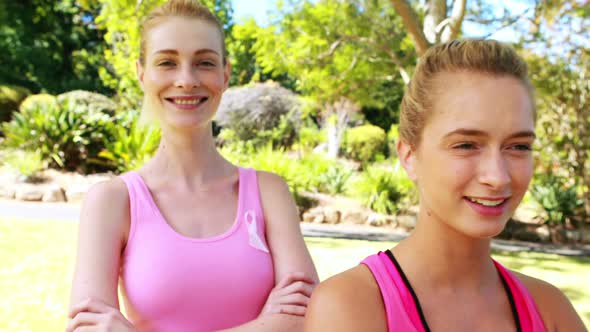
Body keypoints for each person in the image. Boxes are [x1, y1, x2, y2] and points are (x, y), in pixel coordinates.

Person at [66, 1, 318, 331]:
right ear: (142, 74)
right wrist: (267, 324)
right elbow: (88, 327)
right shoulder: (112, 201)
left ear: (225, 74)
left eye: (204, 63)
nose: (186, 80)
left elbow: (307, 319)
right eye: (167, 62)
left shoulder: (269, 192)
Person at [304, 39, 587, 332]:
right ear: (409, 155)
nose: (498, 176)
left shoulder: (550, 310)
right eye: (466, 145)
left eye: (518, 146)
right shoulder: (352, 307)